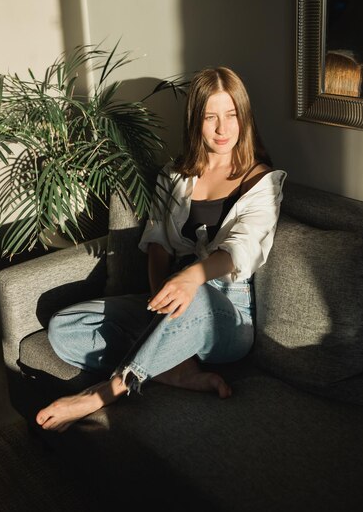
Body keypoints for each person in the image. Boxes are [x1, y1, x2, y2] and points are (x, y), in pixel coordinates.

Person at [36, 66, 287, 432]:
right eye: (210, 117)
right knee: (64, 327)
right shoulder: (175, 175)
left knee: (196, 295)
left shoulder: (263, 181)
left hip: (226, 313)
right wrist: (161, 302)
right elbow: (158, 245)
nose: (222, 129)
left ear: (244, 117)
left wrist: (189, 279)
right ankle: (173, 369)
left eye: (232, 115)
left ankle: (108, 391)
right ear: (194, 121)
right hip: (171, 298)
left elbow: (241, 248)